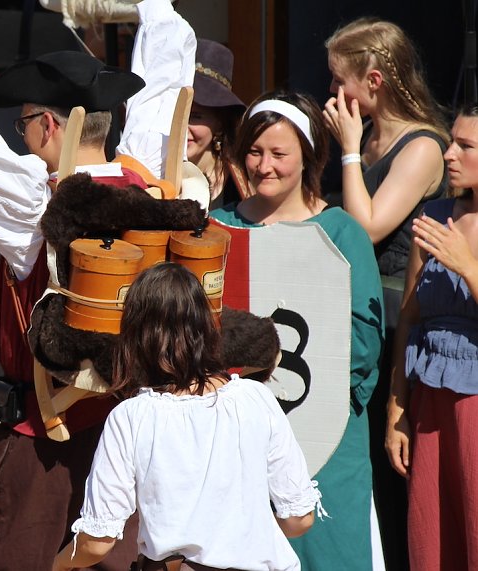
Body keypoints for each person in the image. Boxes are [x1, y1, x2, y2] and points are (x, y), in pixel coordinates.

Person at [0, 0, 196, 567]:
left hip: (44, 440)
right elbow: (162, 91)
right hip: (131, 435)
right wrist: (157, 10)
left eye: (25, 121)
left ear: (49, 125)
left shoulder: (38, 201)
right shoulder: (149, 181)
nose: (22, 135)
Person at [210, 92, 384, 570]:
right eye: (255, 152)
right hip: (231, 435)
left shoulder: (341, 232)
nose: (264, 166)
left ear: (306, 156)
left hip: (326, 435)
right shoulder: (218, 228)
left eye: (279, 154)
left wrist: (318, 396)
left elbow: (363, 343)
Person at [51, 263, 319, 571]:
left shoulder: (131, 418)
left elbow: (96, 543)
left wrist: (54, 566)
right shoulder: (256, 398)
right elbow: (299, 519)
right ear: (205, 327)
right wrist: (241, 540)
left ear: (136, 337)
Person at [385, 105, 478, 571]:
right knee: (431, 540)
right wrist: (396, 408)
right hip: (430, 405)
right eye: (451, 141)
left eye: (466, 145)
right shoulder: (434, 215)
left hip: (476, 409)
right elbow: (409, 317)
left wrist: (470, 267)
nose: (449, 153)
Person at [323, 17, 448, 278]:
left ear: (374, 81)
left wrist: (349, 152)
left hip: (393, 299)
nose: (332, 89)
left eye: (339, 80)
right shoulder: (364, 133)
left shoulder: (421, 148)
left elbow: (365, 231)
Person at [186, 38, 246, 208]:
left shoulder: (243, 183)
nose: (182, 128)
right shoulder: (153, 174)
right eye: (176, 115)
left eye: (195, 117)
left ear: (219, 122)